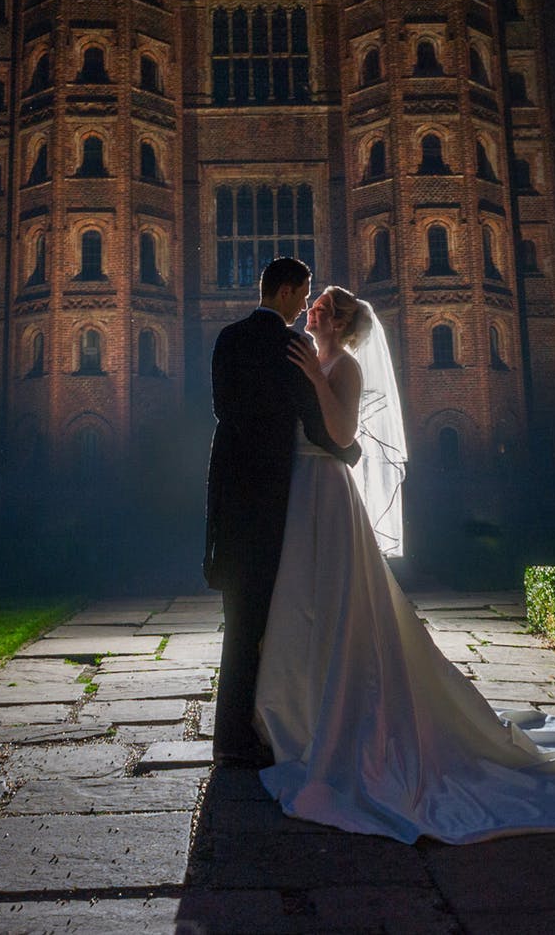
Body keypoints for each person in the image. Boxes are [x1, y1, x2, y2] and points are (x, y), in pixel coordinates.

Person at [250, 284, 555, 844]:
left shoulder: (346, 367)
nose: (313, 308)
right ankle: (303, 716)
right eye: (315, 303)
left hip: (330, 494)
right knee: (305, 606)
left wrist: (315, 377)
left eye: (324, 306)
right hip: (303, 491)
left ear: (338, 323)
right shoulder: (312, 354)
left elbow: (342, 435)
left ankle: (345, 726)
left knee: (341, 607)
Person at [204, 257, 361, 769]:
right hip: (274, 496)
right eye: (306, 293)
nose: (306, 304)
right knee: (262, 620)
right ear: (290, 292)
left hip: (231, 489)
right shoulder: (290, 346)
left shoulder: (228, 337)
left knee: (239, 618)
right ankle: (240, 736)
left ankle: (233, 731)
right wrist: (350, 453)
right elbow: (317, 427)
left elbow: (223, 407)